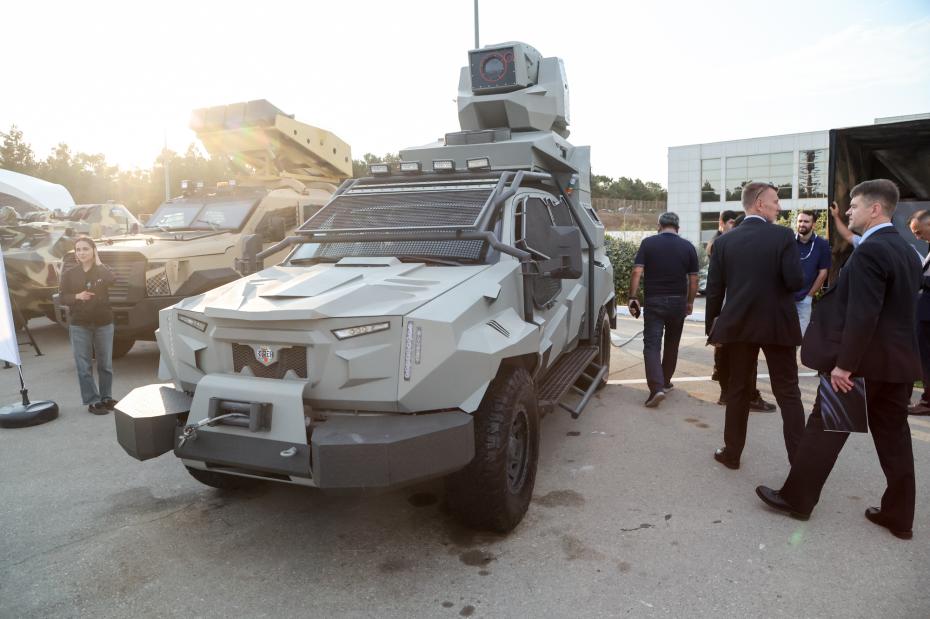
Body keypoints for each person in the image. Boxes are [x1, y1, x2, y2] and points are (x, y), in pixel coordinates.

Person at [756, 179, 922, 540]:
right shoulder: (907, 251)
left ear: (875, 209)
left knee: (823, 430)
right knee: (895, 442)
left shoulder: (871, 251)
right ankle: (899, 517)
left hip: (860, 367)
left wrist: (845, 365)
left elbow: (864, 314)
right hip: (896, 367)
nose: (848, 211)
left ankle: (797, 499)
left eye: (854, 206)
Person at [704, 182, 806, 468]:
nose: (779, 207)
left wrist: (712, 330)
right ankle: (800, 464)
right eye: (776, 201)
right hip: (778, 325)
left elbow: (714, 292)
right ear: (760, 204)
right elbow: (795, 282)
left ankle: (732, 454)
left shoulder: (723, 242)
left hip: (738, 326)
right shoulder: (783, 236)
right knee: (788, 393)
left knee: (738, 390)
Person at [628, 212, 698, 408]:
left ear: (659, 226)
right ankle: (665, 382)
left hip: (654, 301)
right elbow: (693, 279)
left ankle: (656, 388)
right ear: (678, 228)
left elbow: (637, 271)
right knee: (672, 344)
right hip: (678, 303)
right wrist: (690, 302)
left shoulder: (648, 243)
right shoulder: (688, 247)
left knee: (652, 345)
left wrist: (632, 296)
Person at [710, 213, 777, 412]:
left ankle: (730, 394)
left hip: (728, 313)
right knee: (741, 360)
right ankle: (747, 396)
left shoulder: (721, 244)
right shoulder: (728, 246)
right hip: (736, 312)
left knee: (728, 356)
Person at [59, 237, 116, 414]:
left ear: (93, 250)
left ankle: (106, 398)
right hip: (79, 324)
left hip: (103, 322)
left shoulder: (103, 270)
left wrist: (98, 262)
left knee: (105, 364)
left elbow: (111, 280)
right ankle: (93, 401)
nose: (81, 252)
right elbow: (62, 297)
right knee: (84, 365)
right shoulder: (69, 273)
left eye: (85, 249)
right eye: (78, 249)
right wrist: (77, 296)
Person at [907, 210, 930, 415]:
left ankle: (927, 402)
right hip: (922, 313)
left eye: (919, 231)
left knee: (926, 359)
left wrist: (917, 278)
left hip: (926, 316)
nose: (917, 237)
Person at [793, 210, 831, 335]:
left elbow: (823, 273)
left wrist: (809, 295)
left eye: (806, 221)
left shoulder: (822, 245)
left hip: (805, 298)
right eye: (800, 221)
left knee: (801, 336)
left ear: (813, 224)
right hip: (786, 298)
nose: (802, 224)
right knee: (782, 333)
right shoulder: (788, 241)